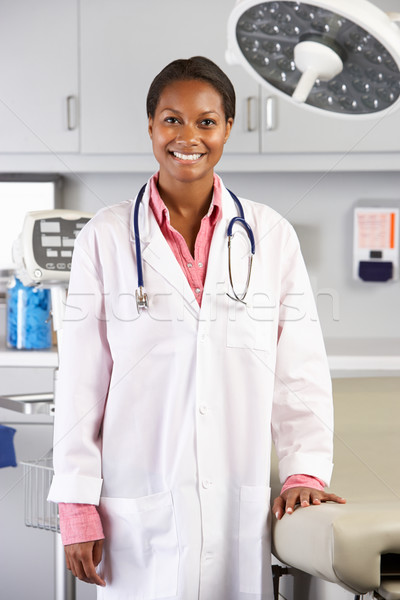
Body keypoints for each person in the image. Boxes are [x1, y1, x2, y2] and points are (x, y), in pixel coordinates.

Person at [48, 56, 346, 599]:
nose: (189, 136)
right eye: (172, 119)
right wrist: (76, 503)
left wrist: (305, 472)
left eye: (206, 121)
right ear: (150, 126)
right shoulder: (107, 236)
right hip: (136, 508)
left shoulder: (270, 235)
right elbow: (80, 384)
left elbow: (298, 372)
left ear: (228, 127)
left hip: (239, 502)